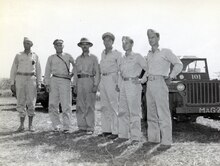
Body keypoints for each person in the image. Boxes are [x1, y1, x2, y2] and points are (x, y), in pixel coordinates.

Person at [146, 29, 183, 151]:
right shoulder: (149, 54)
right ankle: (153, 139)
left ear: (158, 38)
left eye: (153, 37)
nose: (151, 40)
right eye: (149, 37)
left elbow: (178, 64)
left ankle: (166, 141)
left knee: (163, 113)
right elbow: (147, 70)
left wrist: (171, 76)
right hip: (149, 84)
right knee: (151, 113)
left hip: (160, 82)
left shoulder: (165, 52)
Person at [118, 36, 148, 144]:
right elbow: (120, 73)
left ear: (131, 44)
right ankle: (123, 135)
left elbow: (147, 68)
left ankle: (135, 137)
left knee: (134, 112)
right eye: (123, 43)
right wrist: (119, 85)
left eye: (126, 43)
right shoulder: (122, 58)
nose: (124, 45)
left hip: (133, 85)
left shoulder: (137, 56)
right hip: (123, 84)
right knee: (122, 111)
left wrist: (142, 80)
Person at [10, 37, 42, 132]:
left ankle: (31, 125)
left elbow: (39, 70)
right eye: (24, 43)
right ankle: (21, 125)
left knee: (31, 101)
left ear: (31, 44)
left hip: (31, 78)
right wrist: (12, 83)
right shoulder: (18, 55)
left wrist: (39, 83)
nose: (25, 45)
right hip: (20, 78)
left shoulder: (35, 56)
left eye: (28, 43)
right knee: (20, 101)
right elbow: (13, 69)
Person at [44, 39, 74, 134]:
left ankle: (66, 126)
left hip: (65, 80)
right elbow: (47, 71)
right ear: (54, 46)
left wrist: (72, 74)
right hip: (54, 80)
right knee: (53, 104)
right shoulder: (51, 58)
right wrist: (47, 84)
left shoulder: (68, 56)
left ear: (63, 46)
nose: (59, 46)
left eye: (60, 44)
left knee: (66, 104)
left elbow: (76, 66)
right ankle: (56, 125)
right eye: (57, 45)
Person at [74, 38, 100, 135]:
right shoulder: (78, 59)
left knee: (89, 105)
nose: (84, 46)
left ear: (89, 45)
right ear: (80, 46)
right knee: (80, 105)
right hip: (80, 81)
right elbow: (75, 73)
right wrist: (75, 85)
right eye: (82, 45)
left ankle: (90, 127)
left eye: (86, 44)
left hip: (89, 80)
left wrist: (95, 85)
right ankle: (82, 126)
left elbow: (97, 72)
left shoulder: (94, 58)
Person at [99, 32, 122, 139]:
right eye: (105, 40)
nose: (106, 42)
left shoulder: (117, 53)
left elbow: (120, 70)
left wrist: (118, 83)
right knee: (104, 106)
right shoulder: (103, 53)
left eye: (109, 40)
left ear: (112, 42)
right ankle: (106, 130)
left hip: (112, 79)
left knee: (114, 105)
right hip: (103, 79)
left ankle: (116, 131)